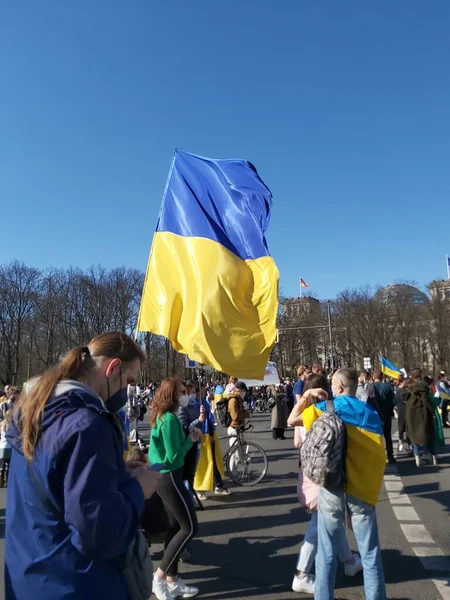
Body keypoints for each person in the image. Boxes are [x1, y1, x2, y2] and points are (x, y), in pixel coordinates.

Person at [5, 332, 160, 600]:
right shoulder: (86, 425)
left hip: (29, 574)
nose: (128, 390)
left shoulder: (35, 410)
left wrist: (114, 472)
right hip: (77, 583)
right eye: (130, 381)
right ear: (113, 368)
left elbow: (56, 482)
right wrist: (139, 489)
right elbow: (100, 535)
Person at [302, 368, 387, 600]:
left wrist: (308, 393)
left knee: (326, 553)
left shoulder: (326, 409)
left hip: (332, 486)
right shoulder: (370, 413)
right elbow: (379, 454)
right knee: (370, 555)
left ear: (338, 388)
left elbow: (292, 419)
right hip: (361, 489)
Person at [289, 373, 362, 595]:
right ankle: (301, 574)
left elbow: (296, 439)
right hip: (324, 473)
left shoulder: (307, 413)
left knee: (331, 521)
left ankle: (349, 562)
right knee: (319, 524)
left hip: (307, 471)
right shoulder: (324, 410)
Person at [149, 377, 201, 600]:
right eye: (181, 392)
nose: (185, 395)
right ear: (172, 395)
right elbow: (172, 457)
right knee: (189, 527)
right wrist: (190, 440)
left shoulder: (161, 416)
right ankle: (159, 577)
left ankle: (172, 579)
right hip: (169, 476)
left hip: (163, 476)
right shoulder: (169, 420)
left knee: (174, 526)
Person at [193, 384, 229, 498]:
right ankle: (199, 488)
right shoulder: (194, 404)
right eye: (202, 389)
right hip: (201, 434)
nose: (205, 391)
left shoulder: (203, 401)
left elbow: (208, 419)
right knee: (202, 463)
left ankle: (218, 485)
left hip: (209, 433)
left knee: (213, 460)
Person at [405, 369, 440, 467]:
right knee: (427, 433)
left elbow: (402, 398)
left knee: (413, 435)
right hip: (422, 412)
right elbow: (425, 400)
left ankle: (417, 458)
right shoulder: (422, 385)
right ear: (419, 375)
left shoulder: (406, 386)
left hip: (410, 412)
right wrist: (432, 410)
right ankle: (430, 456)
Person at [373, 371, 396, 463]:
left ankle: (378, 455)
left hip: (375, 414)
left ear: (373, 377)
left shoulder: (370, 387)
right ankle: (390, 455)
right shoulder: (388, 387)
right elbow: (393, 401)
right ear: (382, 377)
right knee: (387, 435)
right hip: (386, 413)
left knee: (377, 436)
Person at [395, 376, 411, 453]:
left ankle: (401, 443)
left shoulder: (396, 390)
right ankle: (410, 445)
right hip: (405, 410)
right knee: (408, 428)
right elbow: (406, 400)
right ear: (402, 382)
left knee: (401, 427)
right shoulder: (405, 391)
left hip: (399, 410)